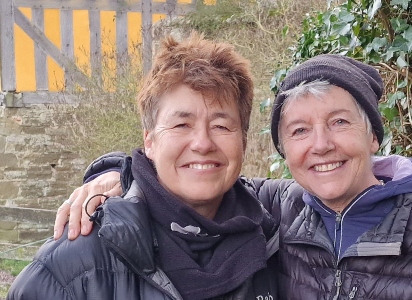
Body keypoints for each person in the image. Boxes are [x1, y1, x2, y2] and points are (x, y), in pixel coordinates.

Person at [54, 54, 412, 299]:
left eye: (341, 123)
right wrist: (120, 175)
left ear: (374, 136)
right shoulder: (273, 209)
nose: (321, 145)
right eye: (299, 130)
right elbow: (196, 180)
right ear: (283, 151)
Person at [8, 32, 278, 300]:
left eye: (220, 126)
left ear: (243, 140)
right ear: (149, 141)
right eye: (182, 124)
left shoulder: (275, 239)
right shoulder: (70, 269)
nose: (202, 143)